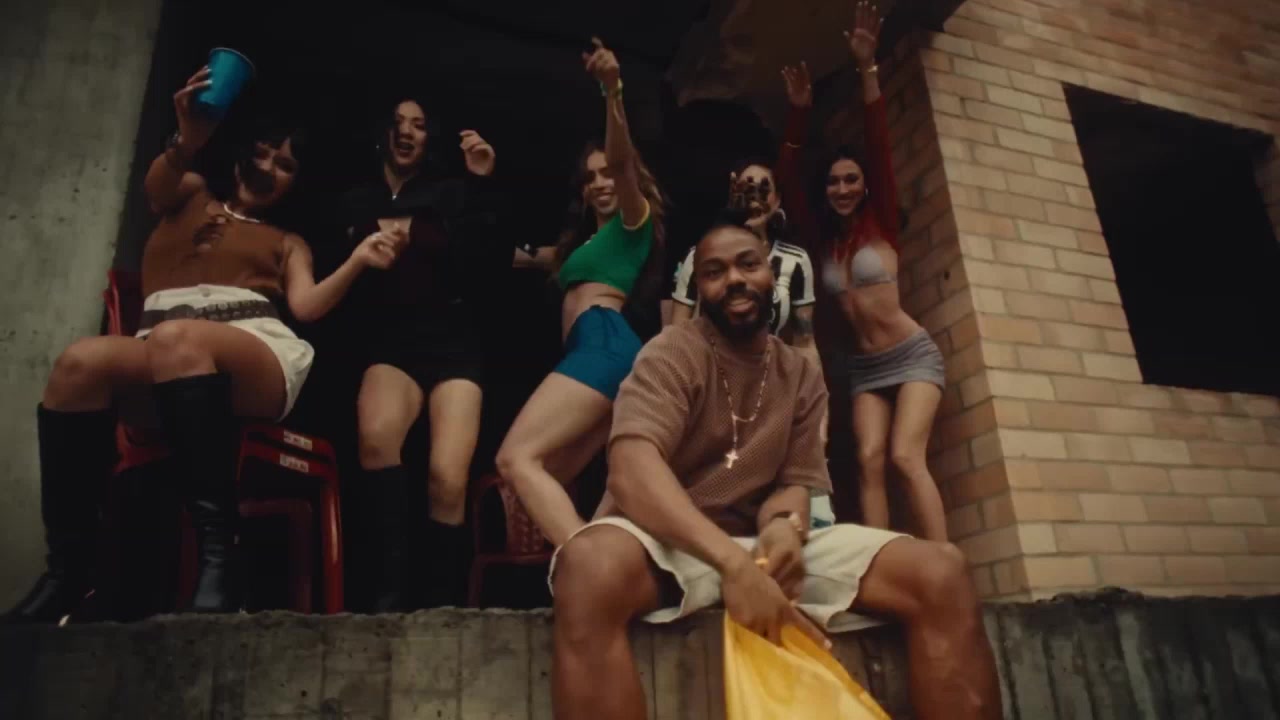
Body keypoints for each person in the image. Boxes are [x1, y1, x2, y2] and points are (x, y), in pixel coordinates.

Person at [548, 221, 1001, 720]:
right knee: (586, 567)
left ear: (772, 273)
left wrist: (785, 526)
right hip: (670, 543)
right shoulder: (672, 351)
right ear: (699, 290)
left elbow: (794, 485)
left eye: (748, 264)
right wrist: (733, 565)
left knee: (942, 570)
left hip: (759, 552)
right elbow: (631, 470)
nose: (734, 280)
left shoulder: (801, 373)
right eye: (714, 272)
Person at [2, 65, 400, 623]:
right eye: (261, 153)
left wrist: (357, 261)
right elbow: (156, 186)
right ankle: (70, 573)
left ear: (295, 182)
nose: (267, 167)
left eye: (284, 164)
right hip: (163, 354)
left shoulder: (287, 241)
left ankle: (222, 558)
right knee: (79, 363)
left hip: (252, 353)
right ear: (239, 152)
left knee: (178, 340)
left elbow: (308, 307)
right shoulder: (189, 194)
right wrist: (187, 140)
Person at [777, 2, 948, 541]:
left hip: (911, 353)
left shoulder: (883, 224)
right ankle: (880, 560)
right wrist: (799, 112)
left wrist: (867, 68)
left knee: (904, 457)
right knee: (867, 459)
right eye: (834, 182)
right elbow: (786, 177)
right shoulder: (823, 241)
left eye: (852, 180)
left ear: (865, 185)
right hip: (865, 367)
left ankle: (945, 561)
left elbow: (879, 140)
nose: (843, 188)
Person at [496, 37, 666, 547]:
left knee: (515, 458)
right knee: (538, 479)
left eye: (607, 173)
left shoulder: (634, 223)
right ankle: (578, 566)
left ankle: (585, 566)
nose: (602, 182)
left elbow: (624, 162)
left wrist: (612, 91)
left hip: (604, 343)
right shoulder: (579, 250)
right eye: (591, 178)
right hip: (597, 352)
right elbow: (504, 254)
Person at [337, 95, 501, 611]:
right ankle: (387, 599)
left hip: (453, 338)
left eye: (419, 125)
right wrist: (417, 232)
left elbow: (485, 254)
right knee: (376, 438)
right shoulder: (357, 197)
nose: (407, 131)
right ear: (383, 132)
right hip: (391, 340)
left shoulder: (452, 190)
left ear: (431, 138)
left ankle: (440, 609)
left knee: (447, 477)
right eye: (398, 123)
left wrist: (480, 181)